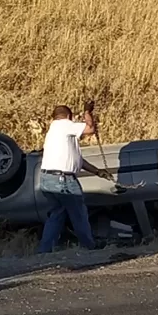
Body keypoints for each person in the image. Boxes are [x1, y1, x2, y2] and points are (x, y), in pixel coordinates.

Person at [37, 103, 112, 253]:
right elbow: (90, 129)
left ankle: (45, 250)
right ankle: (89, 246)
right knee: (79, 213)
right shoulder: (64, 125)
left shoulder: (55, 132)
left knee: (57, 214)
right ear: (69, 117)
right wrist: (87, 112)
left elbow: (77, 159)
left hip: (48, 179)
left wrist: (97, 171)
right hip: (63, 180)